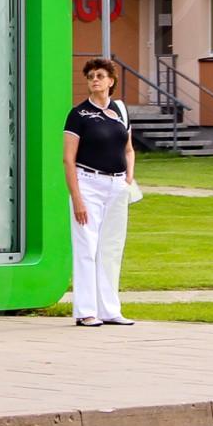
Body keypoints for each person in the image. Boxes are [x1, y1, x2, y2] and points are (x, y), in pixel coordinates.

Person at [62, 57, 138, 328]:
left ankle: (110, 309)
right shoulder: (78, 114)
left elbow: (128, 149)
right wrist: (77, 198)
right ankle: (86, 311)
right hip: (88, 184)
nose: (95, 80)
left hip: (116, 186)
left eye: (100, 76)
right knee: (87, 247)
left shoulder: (120, 111)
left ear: (111, 81)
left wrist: (129, 176)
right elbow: (68, 159)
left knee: (111, 248)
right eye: (91, 76)